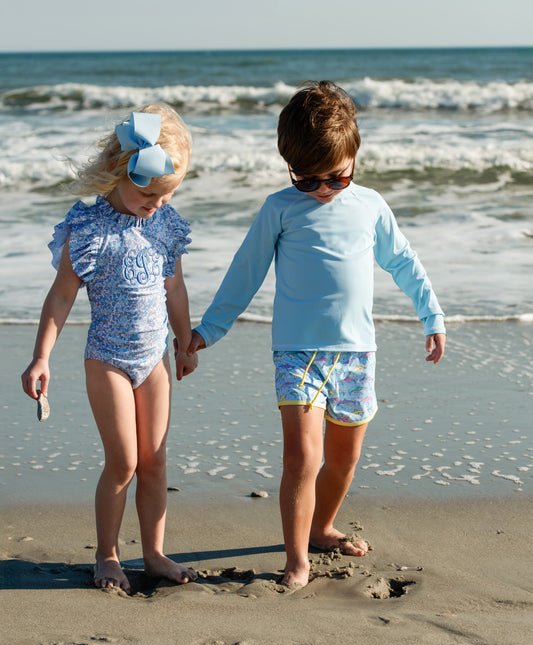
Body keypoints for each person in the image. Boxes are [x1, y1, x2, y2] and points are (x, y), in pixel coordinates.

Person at [187, 81, 446, 588]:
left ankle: (322, 526)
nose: (324, 189)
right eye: (309, 181)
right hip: (298, 352)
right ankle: (295, 559)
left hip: (356, 354)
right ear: (290, 170)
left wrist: (431, 316)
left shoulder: (370, 206)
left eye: (337, 178)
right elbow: (246, 271)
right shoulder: (280, 208)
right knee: (303, 457)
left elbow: (403, 263)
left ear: (355, 159)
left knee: (344, 459)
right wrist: (208, 330)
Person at [21, 103, 198, 593]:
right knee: (123, 462)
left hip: (154, 361)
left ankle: (156, 553)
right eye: (148, 192)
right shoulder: (90, 229)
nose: (157, 203)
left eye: (167, 194)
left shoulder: (164, 225)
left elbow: (175, 290)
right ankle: (108, 555)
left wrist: (185, 343)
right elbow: (61, 295)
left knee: (156, 460)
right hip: (108, 361)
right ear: (120, 172)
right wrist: (41, 356)